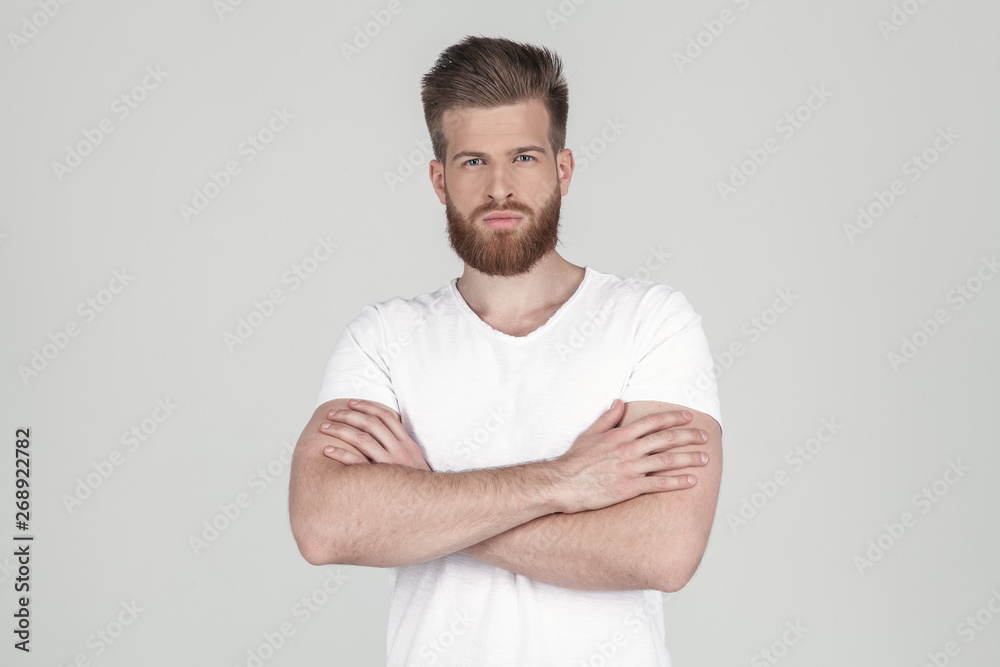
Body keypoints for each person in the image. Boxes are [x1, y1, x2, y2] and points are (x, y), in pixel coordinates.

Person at [288, 34, 723, 667]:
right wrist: (565, 482)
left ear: (562, 169)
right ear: (439, 180)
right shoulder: (383, 338)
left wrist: (422, 499)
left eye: (523, 156)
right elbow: (324, 527)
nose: (499, 188)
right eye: (472, 162)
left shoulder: (650, 322)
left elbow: (664, 551)